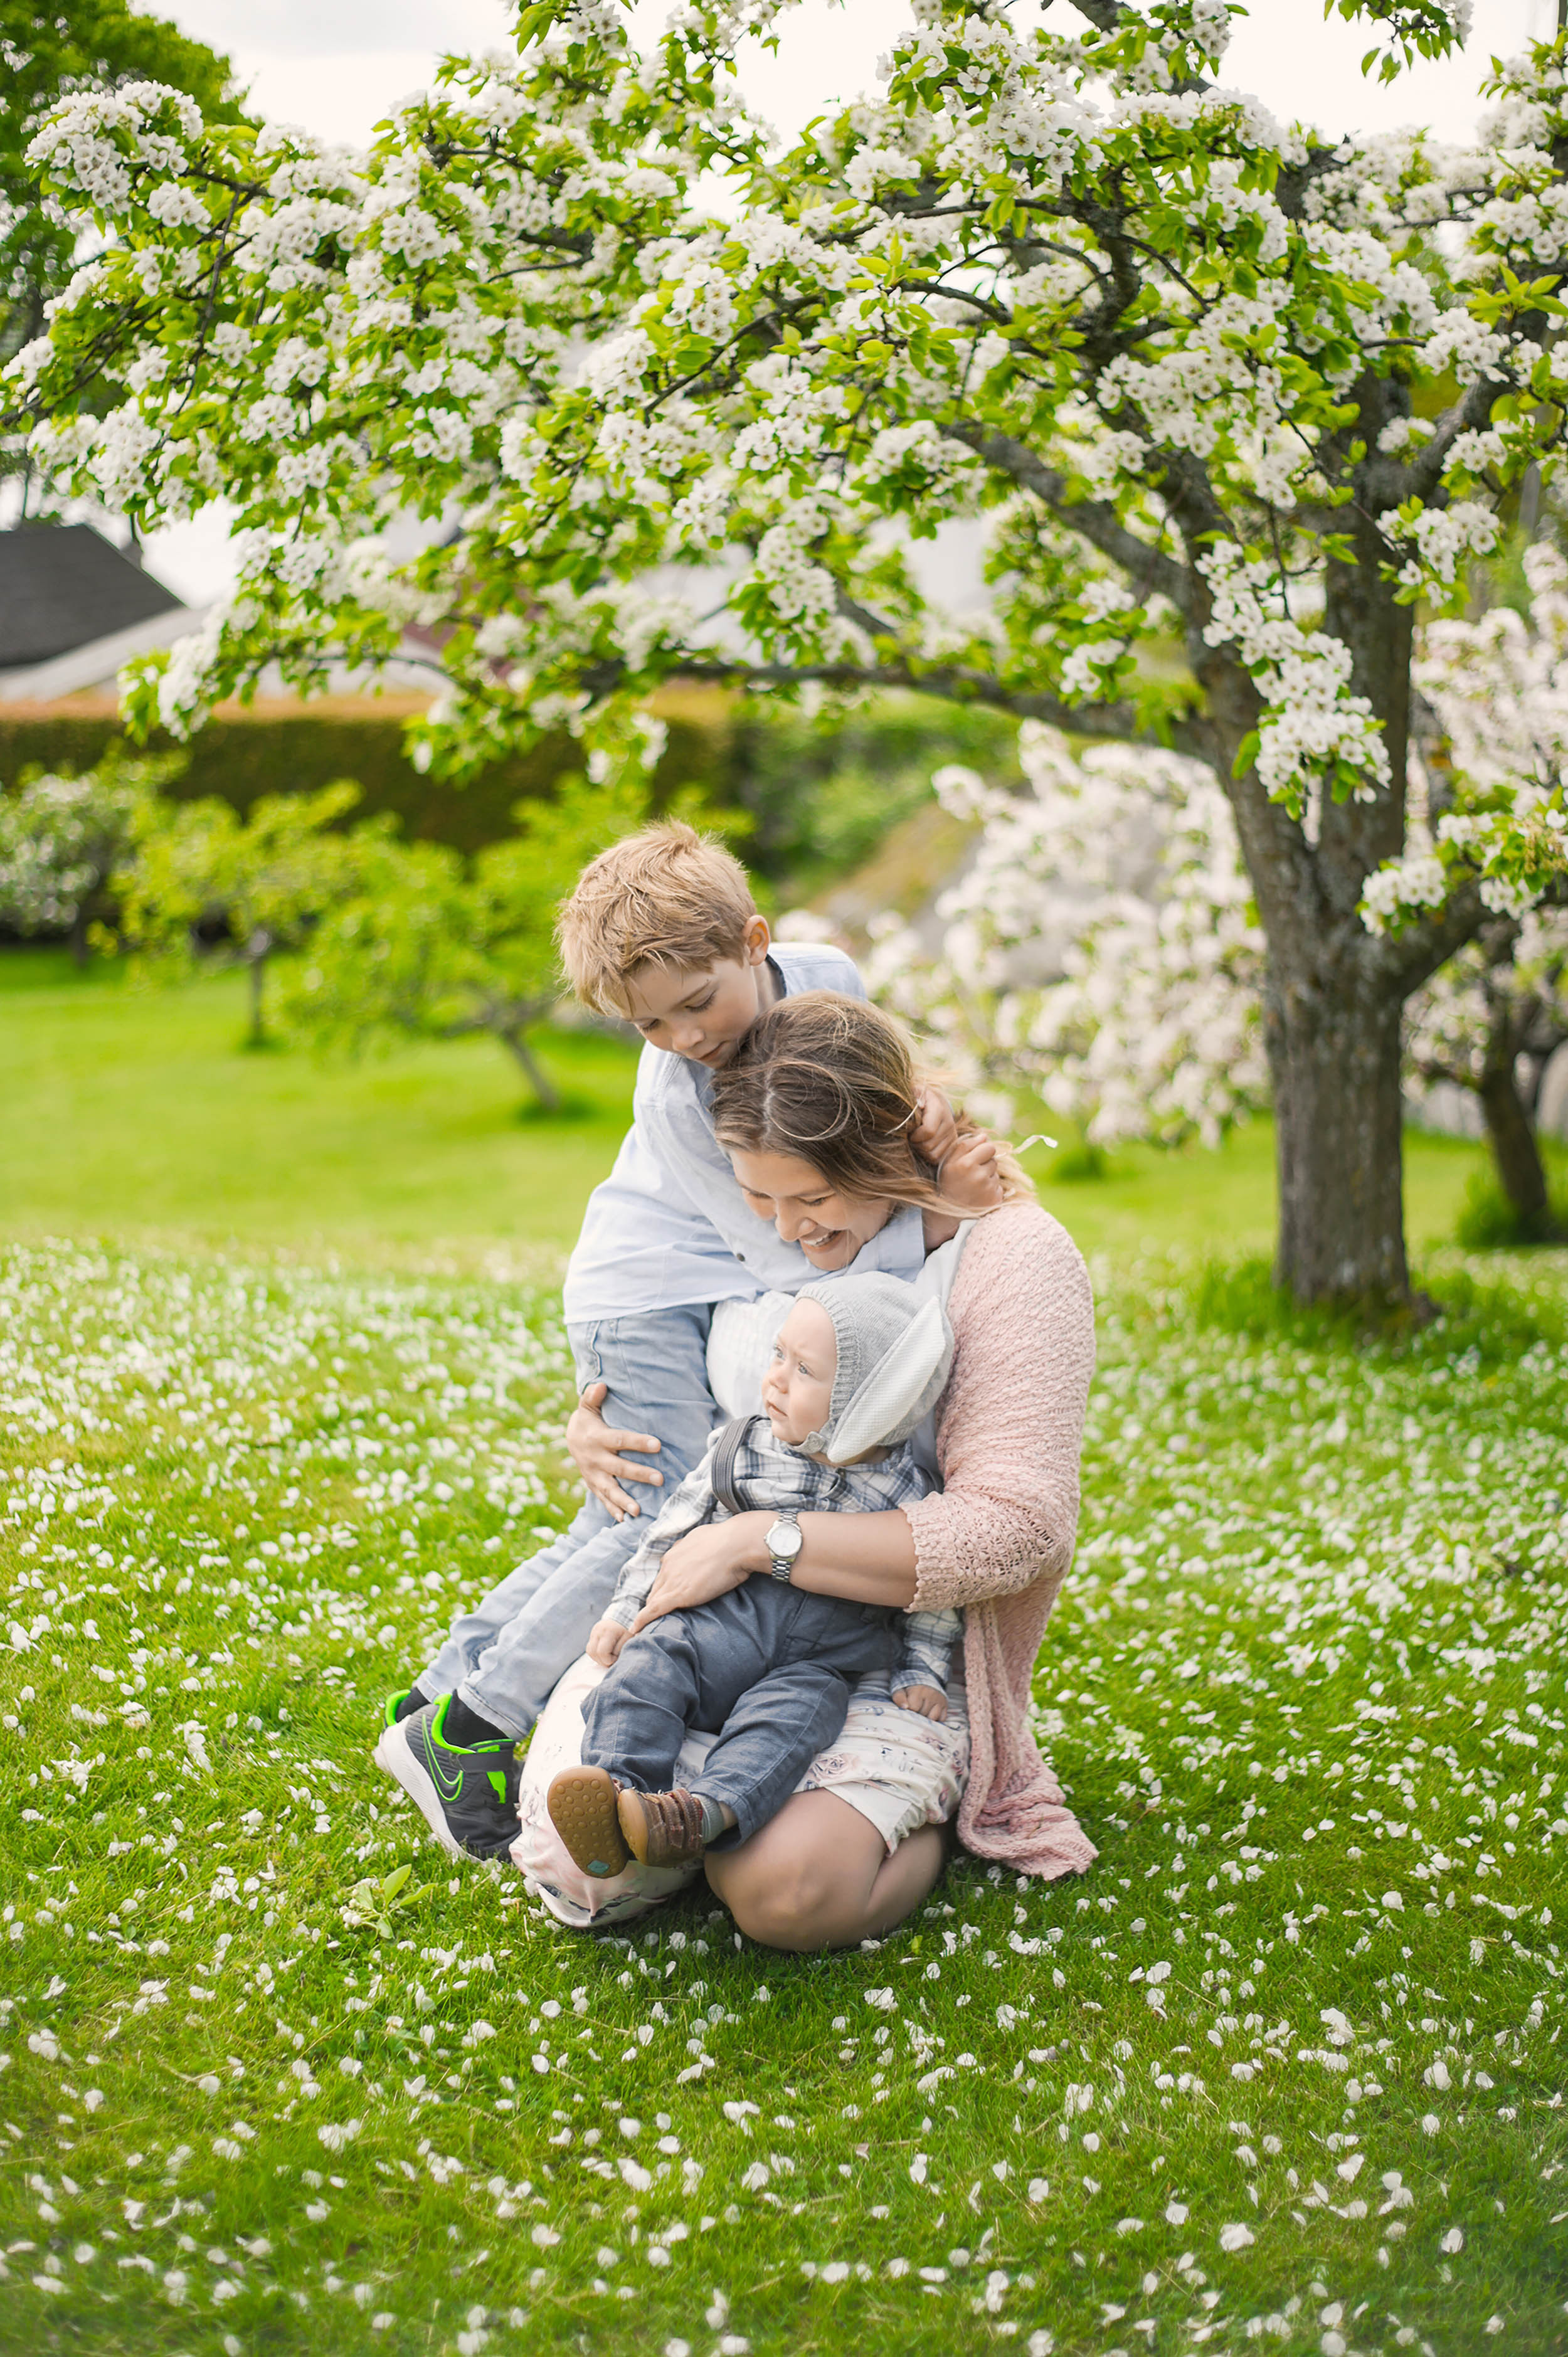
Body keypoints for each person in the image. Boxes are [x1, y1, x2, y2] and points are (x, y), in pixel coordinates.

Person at [372, 825, 997, 1858]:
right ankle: (474, 1722)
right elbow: (794, 1253)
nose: (680, 1034)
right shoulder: (681, 1098)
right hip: (647, 1292)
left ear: (756, 941)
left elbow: (860, 1115)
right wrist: (934, 1220)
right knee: (653, 1512)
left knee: (613, 1517)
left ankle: (440, 1700)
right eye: (646, 1023)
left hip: (694, 1282)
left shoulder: (830, 977)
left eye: (695, 1002)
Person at [510, 990, 1099, 1947]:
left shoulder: (1012, 1258)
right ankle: (672, 1818)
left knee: (781, 1893)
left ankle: (887, 1817)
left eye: (815, 1199)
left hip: (879, 1656)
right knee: (576, 1868)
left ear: (888, 1146)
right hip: (706, 1624)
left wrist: (758, 1541)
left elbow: (1017, 1528)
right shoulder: (747, 1239)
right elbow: (678, 1378)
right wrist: (598, 1417)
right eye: (761, 1199)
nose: (788, 1231)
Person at [546, 1274, 960, 1878]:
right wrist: (625, 1609)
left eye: (805, 1371)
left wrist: (922, 1670)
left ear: (871, 1400)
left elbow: (933, 1590)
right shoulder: (740, 1451)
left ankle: (697, 1816)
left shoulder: (907, 1495)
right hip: (714, 1631)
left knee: (799, 1720)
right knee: (649, 1664)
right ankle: (616, 1791)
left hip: (816, 1663)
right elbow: (668, 1537)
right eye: (778, 1356)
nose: (776, 1379)